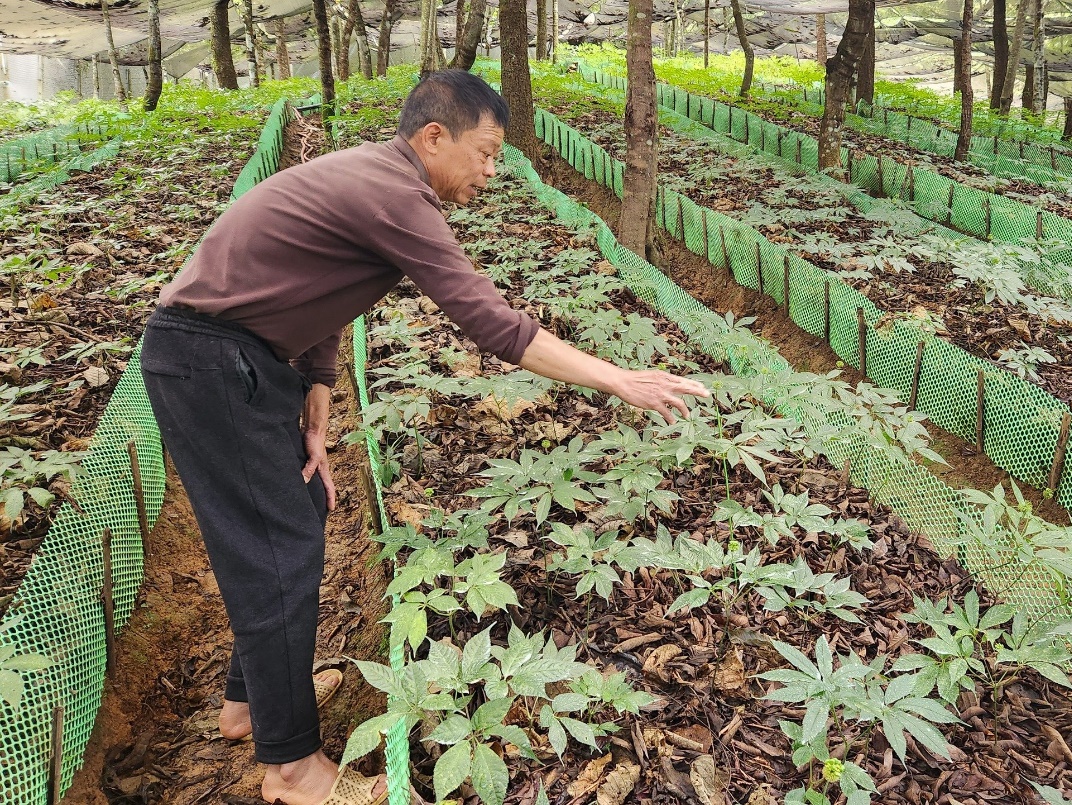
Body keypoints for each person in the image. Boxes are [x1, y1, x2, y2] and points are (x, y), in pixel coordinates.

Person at [140, 70, 707, 805]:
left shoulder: (375, 180)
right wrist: (621, 379)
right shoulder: (395, 191)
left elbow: (317, 279)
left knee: (297, 519)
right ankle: (292, 767)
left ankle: (252, 702)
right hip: (211, 362)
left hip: (237, 358)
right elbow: (492, 323)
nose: (492, 172)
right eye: (488, 152)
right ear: (434, 136)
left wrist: (315, 388)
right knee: (274, 550)